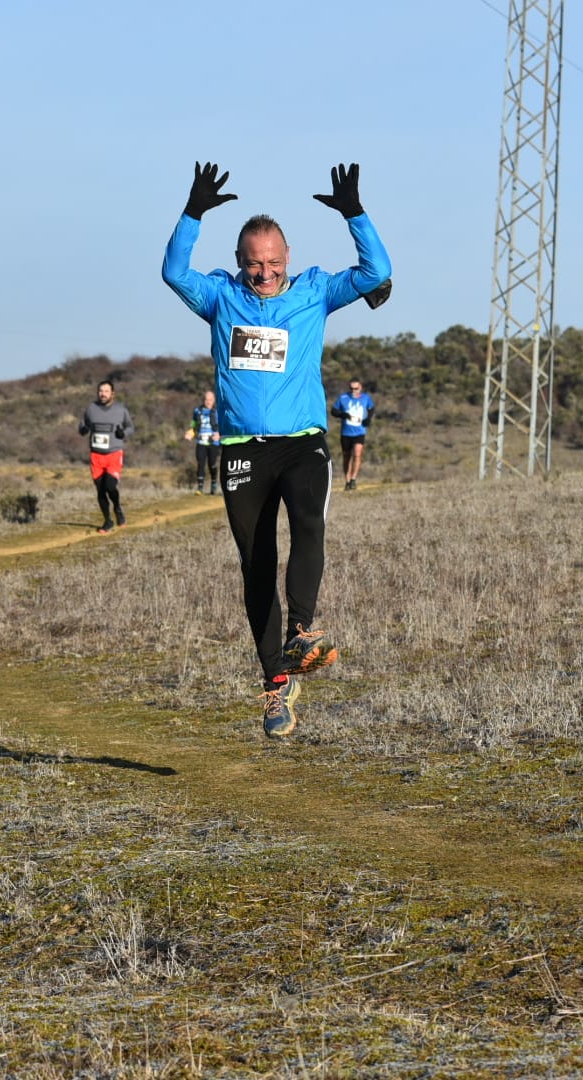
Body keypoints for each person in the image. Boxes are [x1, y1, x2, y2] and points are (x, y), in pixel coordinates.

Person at [162, 160, 391, 738]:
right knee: (256, 564)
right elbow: (173, 271)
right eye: (253, 264)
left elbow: (377, 272)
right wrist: (192, 213)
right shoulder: (220, 297)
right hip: (243, 450)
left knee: (309, 524)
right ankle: (276, 684)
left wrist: (354, 214)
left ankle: (302, 631)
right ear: (239, 261)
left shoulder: (315, 292)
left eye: (273, 263)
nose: (264, 274)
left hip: (302, 444)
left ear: (288, 257)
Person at [78, 378, 134, 533]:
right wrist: (83, 430)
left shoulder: (120, 410)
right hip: (96, 456)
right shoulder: (91, 408)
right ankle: (107, 521)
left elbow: (130, 427)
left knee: (110, 486)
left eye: (106, 391)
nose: (103, 394)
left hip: (113, 454)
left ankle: (117, 508)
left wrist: (123, 433)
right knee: (100, 490)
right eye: (100, 391)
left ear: (112, 394)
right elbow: (82, 426)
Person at [329, 379, 374, 490]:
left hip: (360, 432)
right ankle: (347, 480)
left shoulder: (366, 398)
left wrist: (368, 419)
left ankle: (353, 479)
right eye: (351, 388)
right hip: (346, 433)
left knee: (357, 454)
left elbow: (371, 409)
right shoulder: (343, 398)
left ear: (360, 387)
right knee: (346, 457)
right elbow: (333, 411)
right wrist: (342, 414)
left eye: (356, 388)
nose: (353, 390)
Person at [183, 389, 221, 494]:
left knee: (212, 464)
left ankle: (213, 483)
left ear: (214, 400)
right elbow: (194, 425)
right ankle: (200, 488)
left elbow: (223, 427)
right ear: (203, 400)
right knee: (201, 464)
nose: (208, 402)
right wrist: (190, 433)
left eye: (210, 400)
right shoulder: (197, 411)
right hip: (201, 442)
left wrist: (219, 435)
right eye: (206, 399)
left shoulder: (217, 412)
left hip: (213, 443)